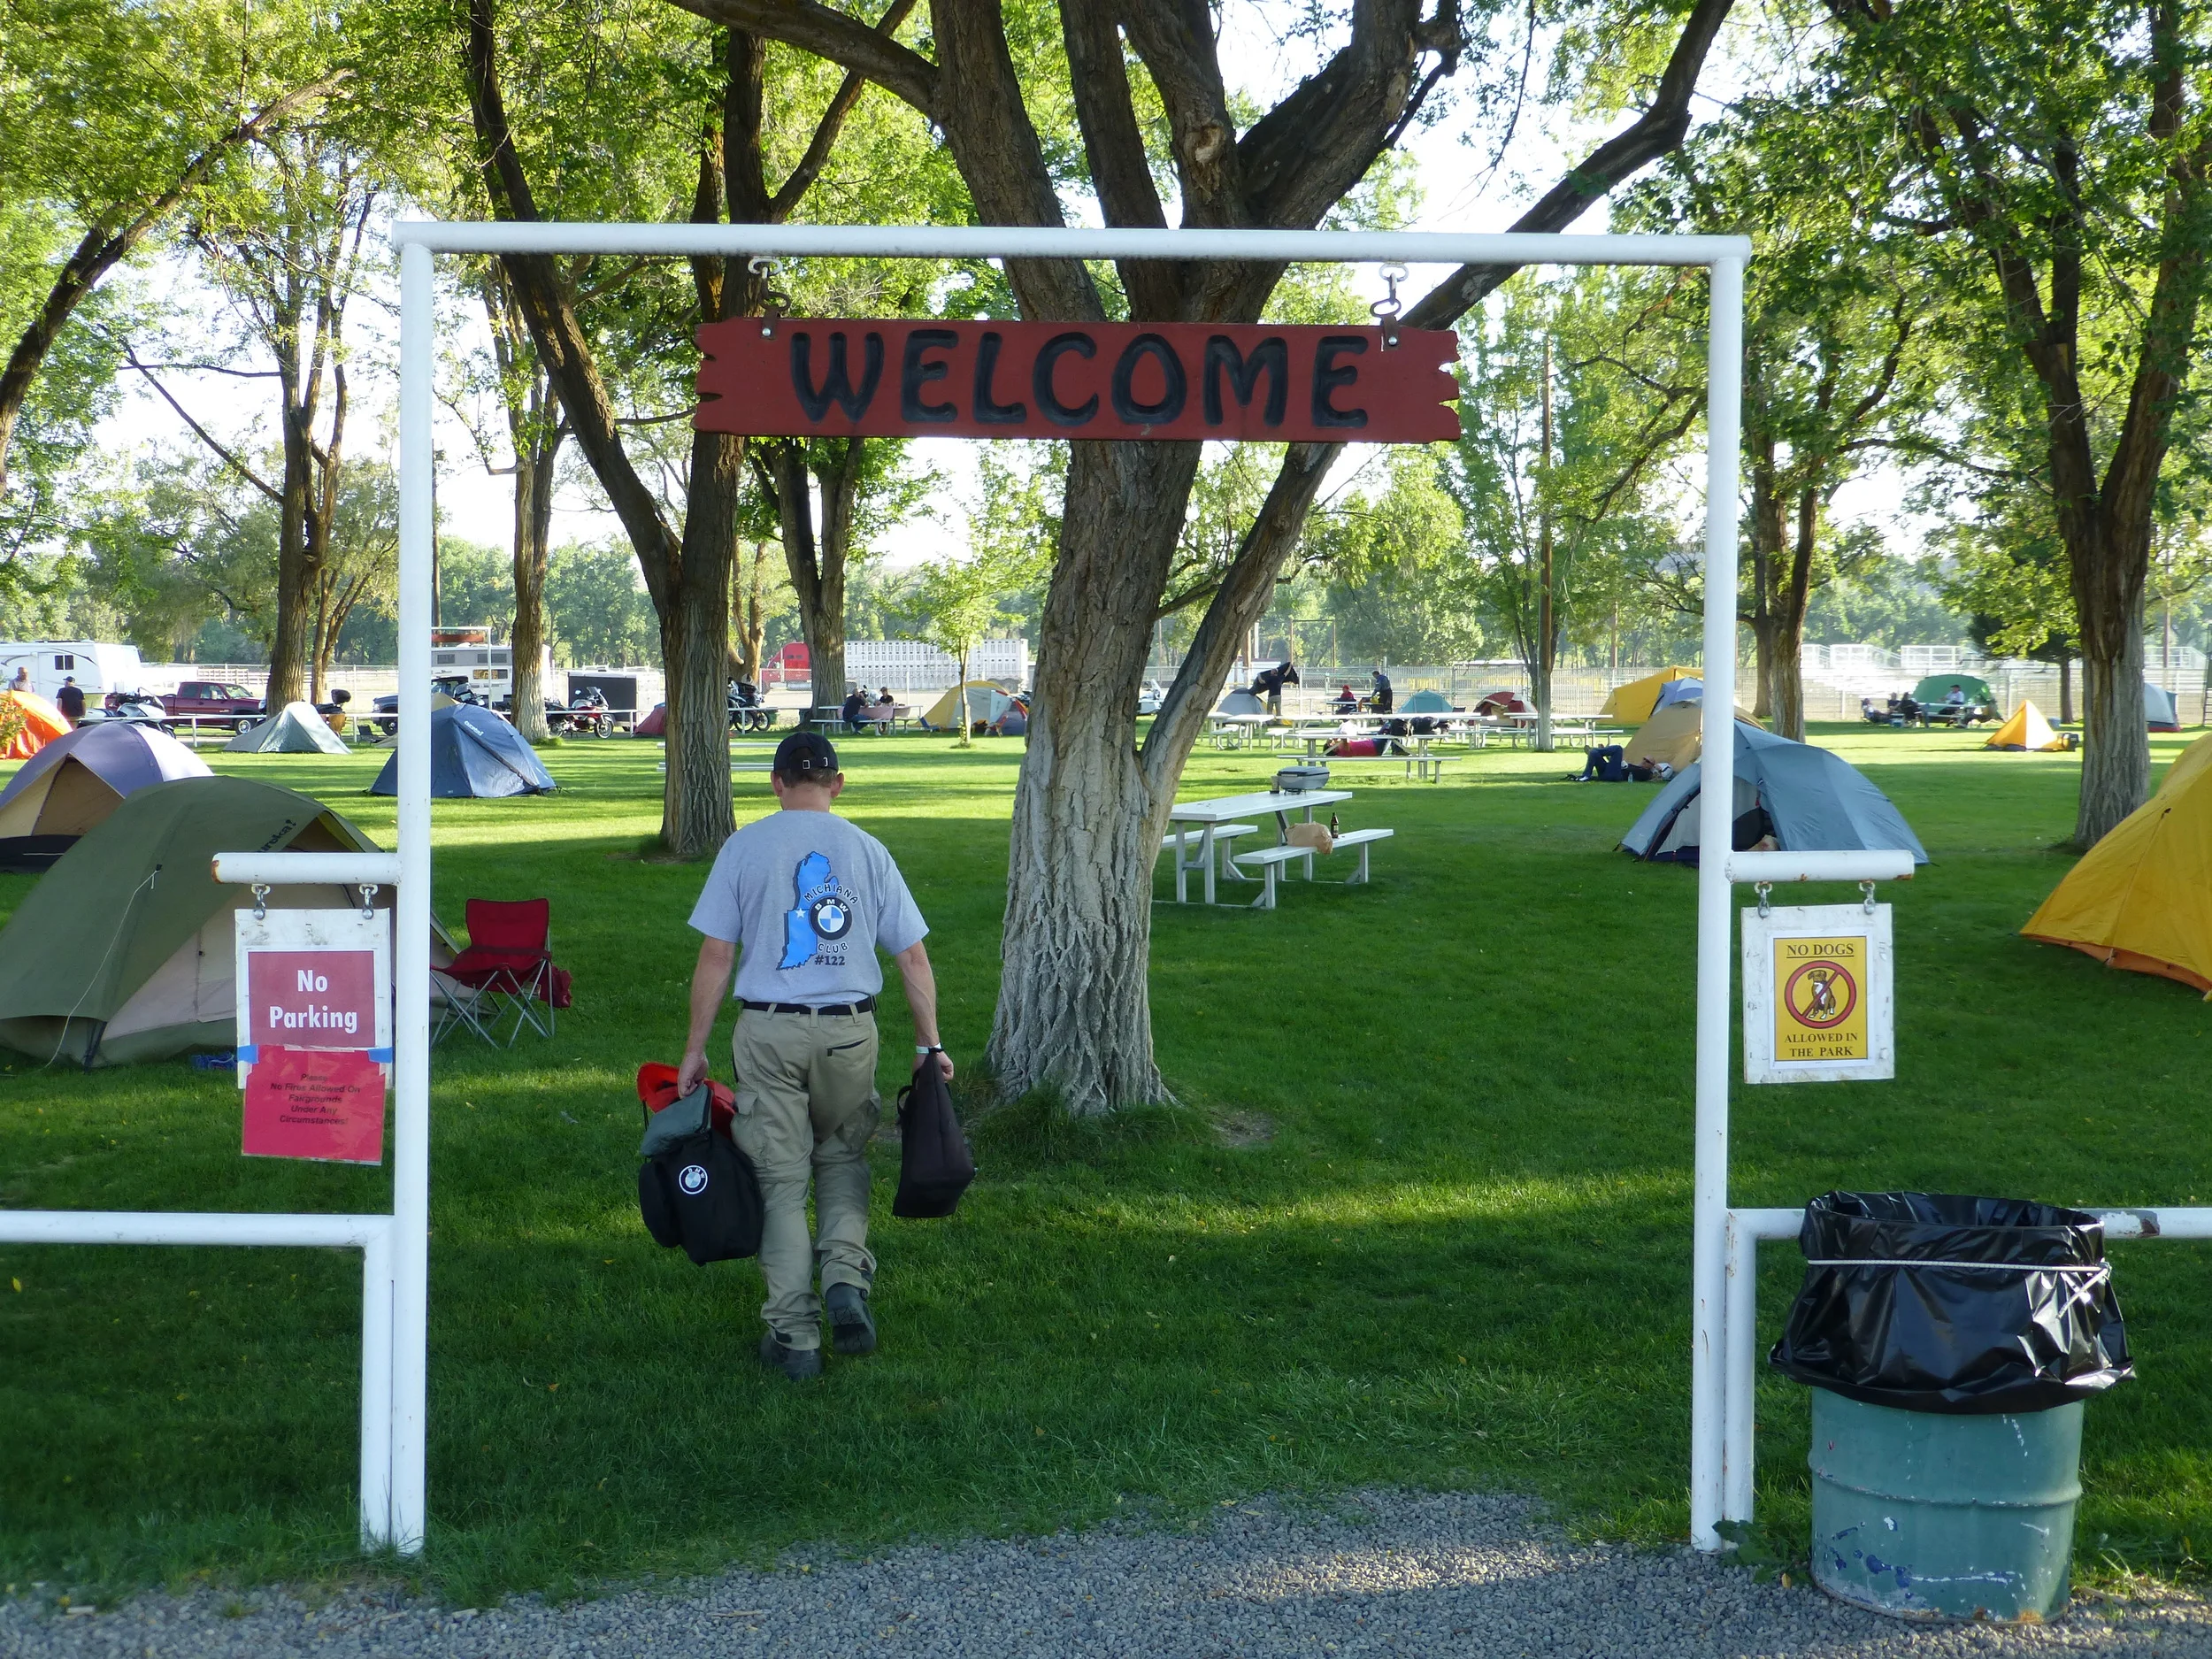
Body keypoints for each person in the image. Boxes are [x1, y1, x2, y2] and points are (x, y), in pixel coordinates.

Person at [678, 731, 949, 1382]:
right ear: (838, 783)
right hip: (851, 1033)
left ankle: (795, 1337)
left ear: (776, 783)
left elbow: (716, 955)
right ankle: (845, 1277)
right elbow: (912, 957)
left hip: (769, 1032)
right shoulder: (868, 850)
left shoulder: (744, 848)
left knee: (779, 1179)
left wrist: (694, 1049)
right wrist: (928, 1045)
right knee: (843, 1157)